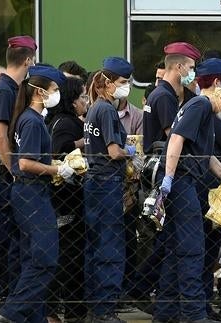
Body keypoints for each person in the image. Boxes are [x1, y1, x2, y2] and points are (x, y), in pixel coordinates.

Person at [154, 84, 221, 322]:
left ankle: (166, 312)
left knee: (176, 248)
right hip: (181, 179)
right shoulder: (202, 105)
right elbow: (176, 139)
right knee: (192, 248)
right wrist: (169, 177)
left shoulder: (204, 112)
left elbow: (204, 154)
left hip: (185, 179)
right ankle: (193, 313)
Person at [0, 65, 72, 323]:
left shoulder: (29, 118)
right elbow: (26, 163)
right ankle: (11, 314)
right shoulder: (32, 121)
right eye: (55, 89)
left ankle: (32, 318)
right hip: (32, 194)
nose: (57, 94)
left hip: (29, 194)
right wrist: (57, 168)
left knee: (31, 259)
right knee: (45, 259)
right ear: (39, 92)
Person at [0, 36, 37, 321]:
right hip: (1, 174)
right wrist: (13, 169)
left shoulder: (10, 87)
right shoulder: (4, 90)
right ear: (27, 59)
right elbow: (0, 135)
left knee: (13, 241)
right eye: (33, 59)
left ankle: (16, 305)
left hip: (4, 174)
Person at [83, 57, 136, 323]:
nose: (126, 87)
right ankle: (105, 309)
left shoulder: (93, 109)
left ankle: (94, 306)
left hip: (93, 183)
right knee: (111, 246)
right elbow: (114, 151)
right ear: (108, 83)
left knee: (94, 245)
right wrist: (131, 151)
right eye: (123, 82)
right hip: (107, 183)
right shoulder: (107, 111)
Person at [44, 76, 88, 322]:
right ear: (72, 102)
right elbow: (61, 150)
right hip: (67, 199)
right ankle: (67, 310)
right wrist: (86, 142)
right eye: (83, 97)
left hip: (65, 199)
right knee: (70, 256)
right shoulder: (66, 124)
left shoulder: (60, 120)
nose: (86, 102)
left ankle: (67, 309)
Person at [143, 42, 200, 154]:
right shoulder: (165, 97)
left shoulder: (159, 93)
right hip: (163, 164)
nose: (192, 73)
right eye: (191, 68)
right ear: (179, 67)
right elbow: (174, 137)